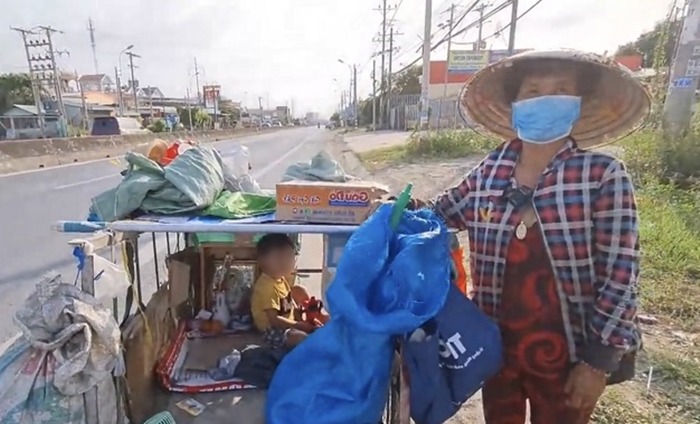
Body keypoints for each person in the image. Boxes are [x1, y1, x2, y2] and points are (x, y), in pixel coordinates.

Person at [406, 50, 650, 423]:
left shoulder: (602, 175)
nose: (545, 99)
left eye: (560, 89)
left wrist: (597, 364)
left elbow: (621, 276)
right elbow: (439, 213)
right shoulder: (490, 172)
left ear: (578, 103)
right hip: (498, 351)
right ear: (516, 104)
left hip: (570, 357)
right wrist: (386, 207)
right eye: (533, 91)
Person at [250, 233, 327, 349]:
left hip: (288, 325)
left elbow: (289, 305)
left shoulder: (280, 279)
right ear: (262, 261)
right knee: (298, 337)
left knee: (299, 290)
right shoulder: (266, 287)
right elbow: (275, 321)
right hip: (272, 330)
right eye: (278, 258)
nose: (284, 262)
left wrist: (301, 318)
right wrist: (299, 325)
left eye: (289, 256)